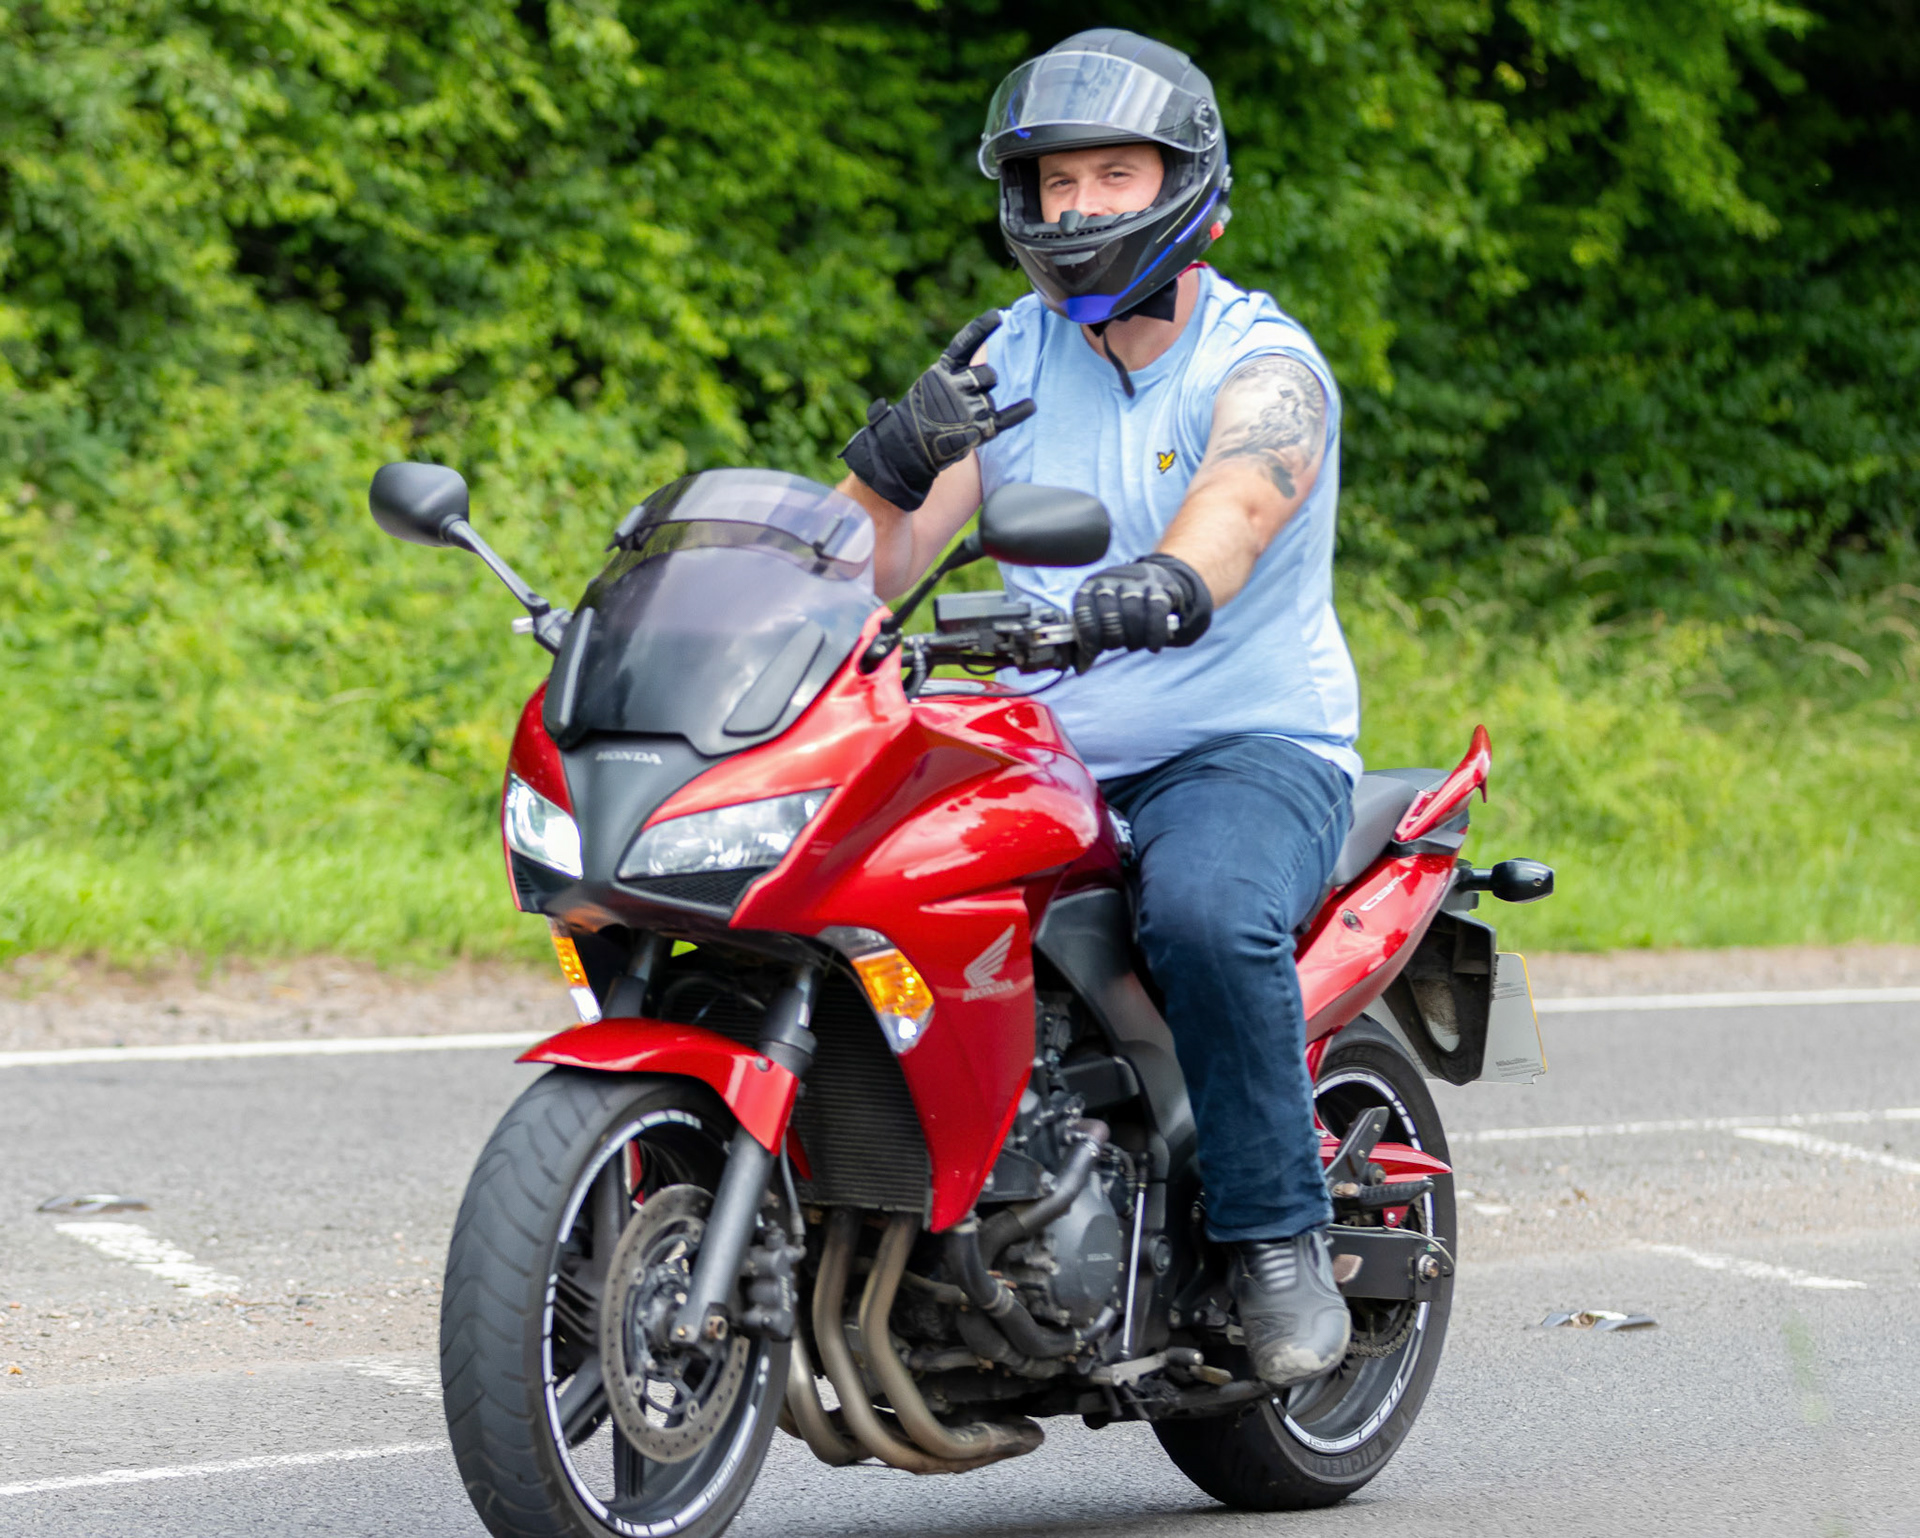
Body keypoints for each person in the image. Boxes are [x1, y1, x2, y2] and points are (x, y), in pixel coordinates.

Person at [835, 28, 1359, 1387]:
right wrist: (888, 470)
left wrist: (1165, 582)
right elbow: (863, 575)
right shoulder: (1005, 358)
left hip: (1237, 744)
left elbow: (1238, 504)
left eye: (1112, 177)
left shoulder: (1264, 365)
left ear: (1185, 186)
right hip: (1041, 752)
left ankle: (1278, 1237)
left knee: (1205, 915)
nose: (1076, 211)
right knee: (870, 897)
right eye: (1055, 183)